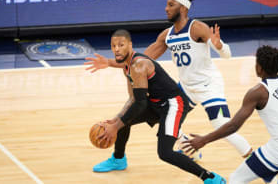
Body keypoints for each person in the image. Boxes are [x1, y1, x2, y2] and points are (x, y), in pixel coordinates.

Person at [85, 0, 253, 163]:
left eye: (171, 5)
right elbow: (139, 60)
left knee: (222, 126)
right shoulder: (167, 35)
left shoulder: (197, 28)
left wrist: (219, 46)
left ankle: (254, 159)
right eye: (167, 4)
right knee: (163, 112)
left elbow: (227, 55)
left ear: (183, 8)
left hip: (208, 86)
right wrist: (109, 63)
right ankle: (189, 148)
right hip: (186, 87)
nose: (166, 8)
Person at [182, 45, 278, 184]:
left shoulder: (257, 92)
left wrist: (204, 140)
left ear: (259, 67)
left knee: (236, 179)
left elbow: (233, 126)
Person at [94, 29, 226, 184]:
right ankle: (118, 159)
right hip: (156, 103)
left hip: (173, 104)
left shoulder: (139, 65)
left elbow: (140, 103)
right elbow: (132, 99)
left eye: (121, 45)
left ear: (130, 45)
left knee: (165, 153)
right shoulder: (127, 67)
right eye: (113, 45)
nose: (116, 49)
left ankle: (209, 177)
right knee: (124, 120)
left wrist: (116, 126)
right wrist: (115, 121)